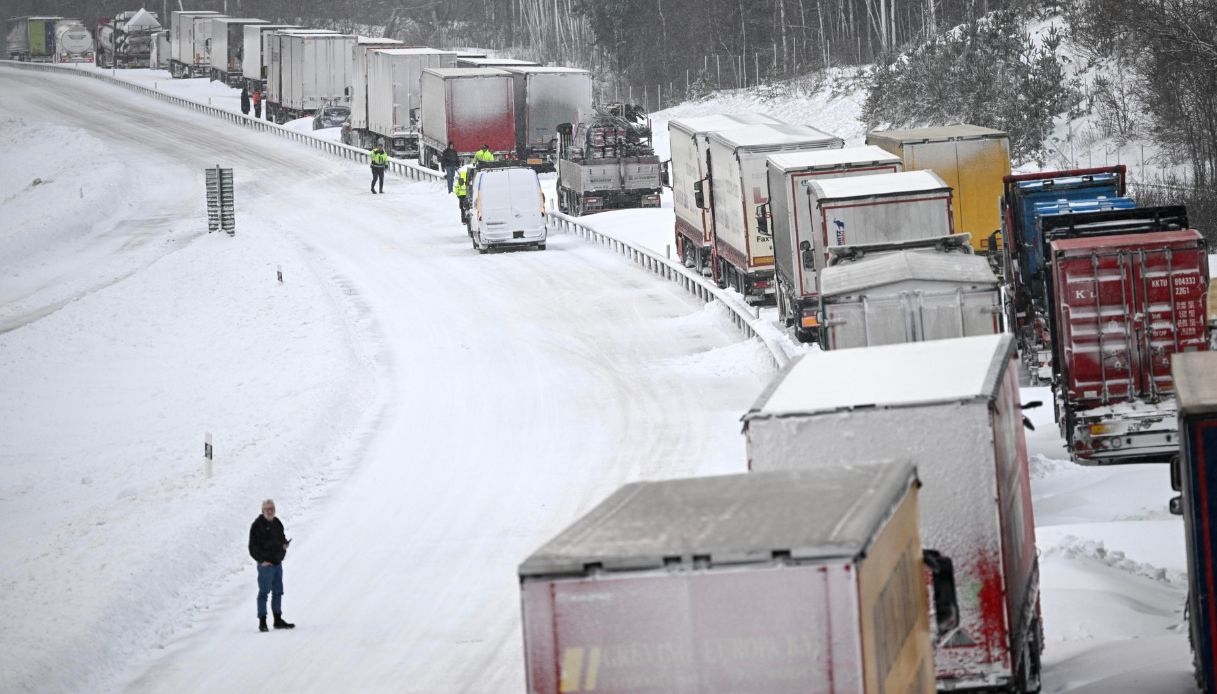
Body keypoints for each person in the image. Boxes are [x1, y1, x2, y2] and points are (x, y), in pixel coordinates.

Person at [249, 499, 295, 632]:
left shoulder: (277, 523)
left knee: (278, 592)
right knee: (264, 592)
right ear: (262, 510)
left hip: (277, 564)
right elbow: (252, 547)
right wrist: (262, 560)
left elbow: (281, 538)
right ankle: (262, 622)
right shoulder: (257, 525)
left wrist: (284, 545)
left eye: (272, 508)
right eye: (268, 509)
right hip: (265, 566)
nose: (270, 511)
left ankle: (277, 619)